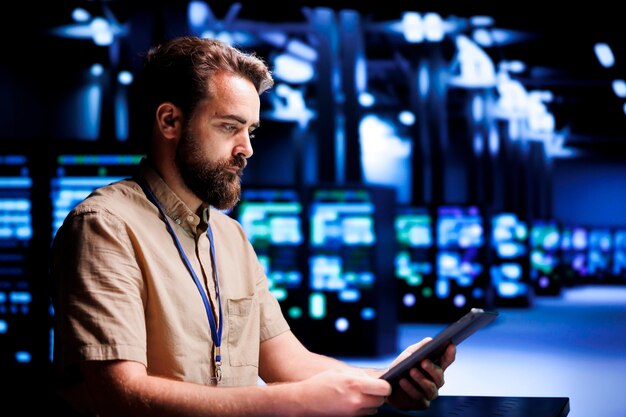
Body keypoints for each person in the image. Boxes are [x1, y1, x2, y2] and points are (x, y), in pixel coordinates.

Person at [49, 35, 456, 417]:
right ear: (170, 121)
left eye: (251, 130)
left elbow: (290, 362)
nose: (247, 148)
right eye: (230, 127)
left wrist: (384, 382)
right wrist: (289, 403)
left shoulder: (230, 236)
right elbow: (119, 393)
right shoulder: (105, 225)